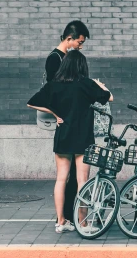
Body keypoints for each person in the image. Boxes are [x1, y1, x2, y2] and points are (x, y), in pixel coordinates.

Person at [28, 50, 113, 233]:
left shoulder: (55, 85)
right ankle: (82, 223)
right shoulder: (86, 84)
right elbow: (109, 98)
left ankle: (61, 222)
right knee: (82, 180)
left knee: (60, 179)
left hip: (63, 134)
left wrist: (55, 114)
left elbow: (32, 102)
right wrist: (100, 85)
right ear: (82, 66)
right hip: (83, 137)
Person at [44, 20, 90, 223]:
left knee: (71, 176)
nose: (80, 46)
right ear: (69, 39)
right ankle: (67, 217)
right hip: (69, 124)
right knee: (71, 176)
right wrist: (56, 115)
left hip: (72, 122)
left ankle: (68, 217)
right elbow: (54, 93)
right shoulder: (55, 59)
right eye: (79, 42)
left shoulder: (68, 58)